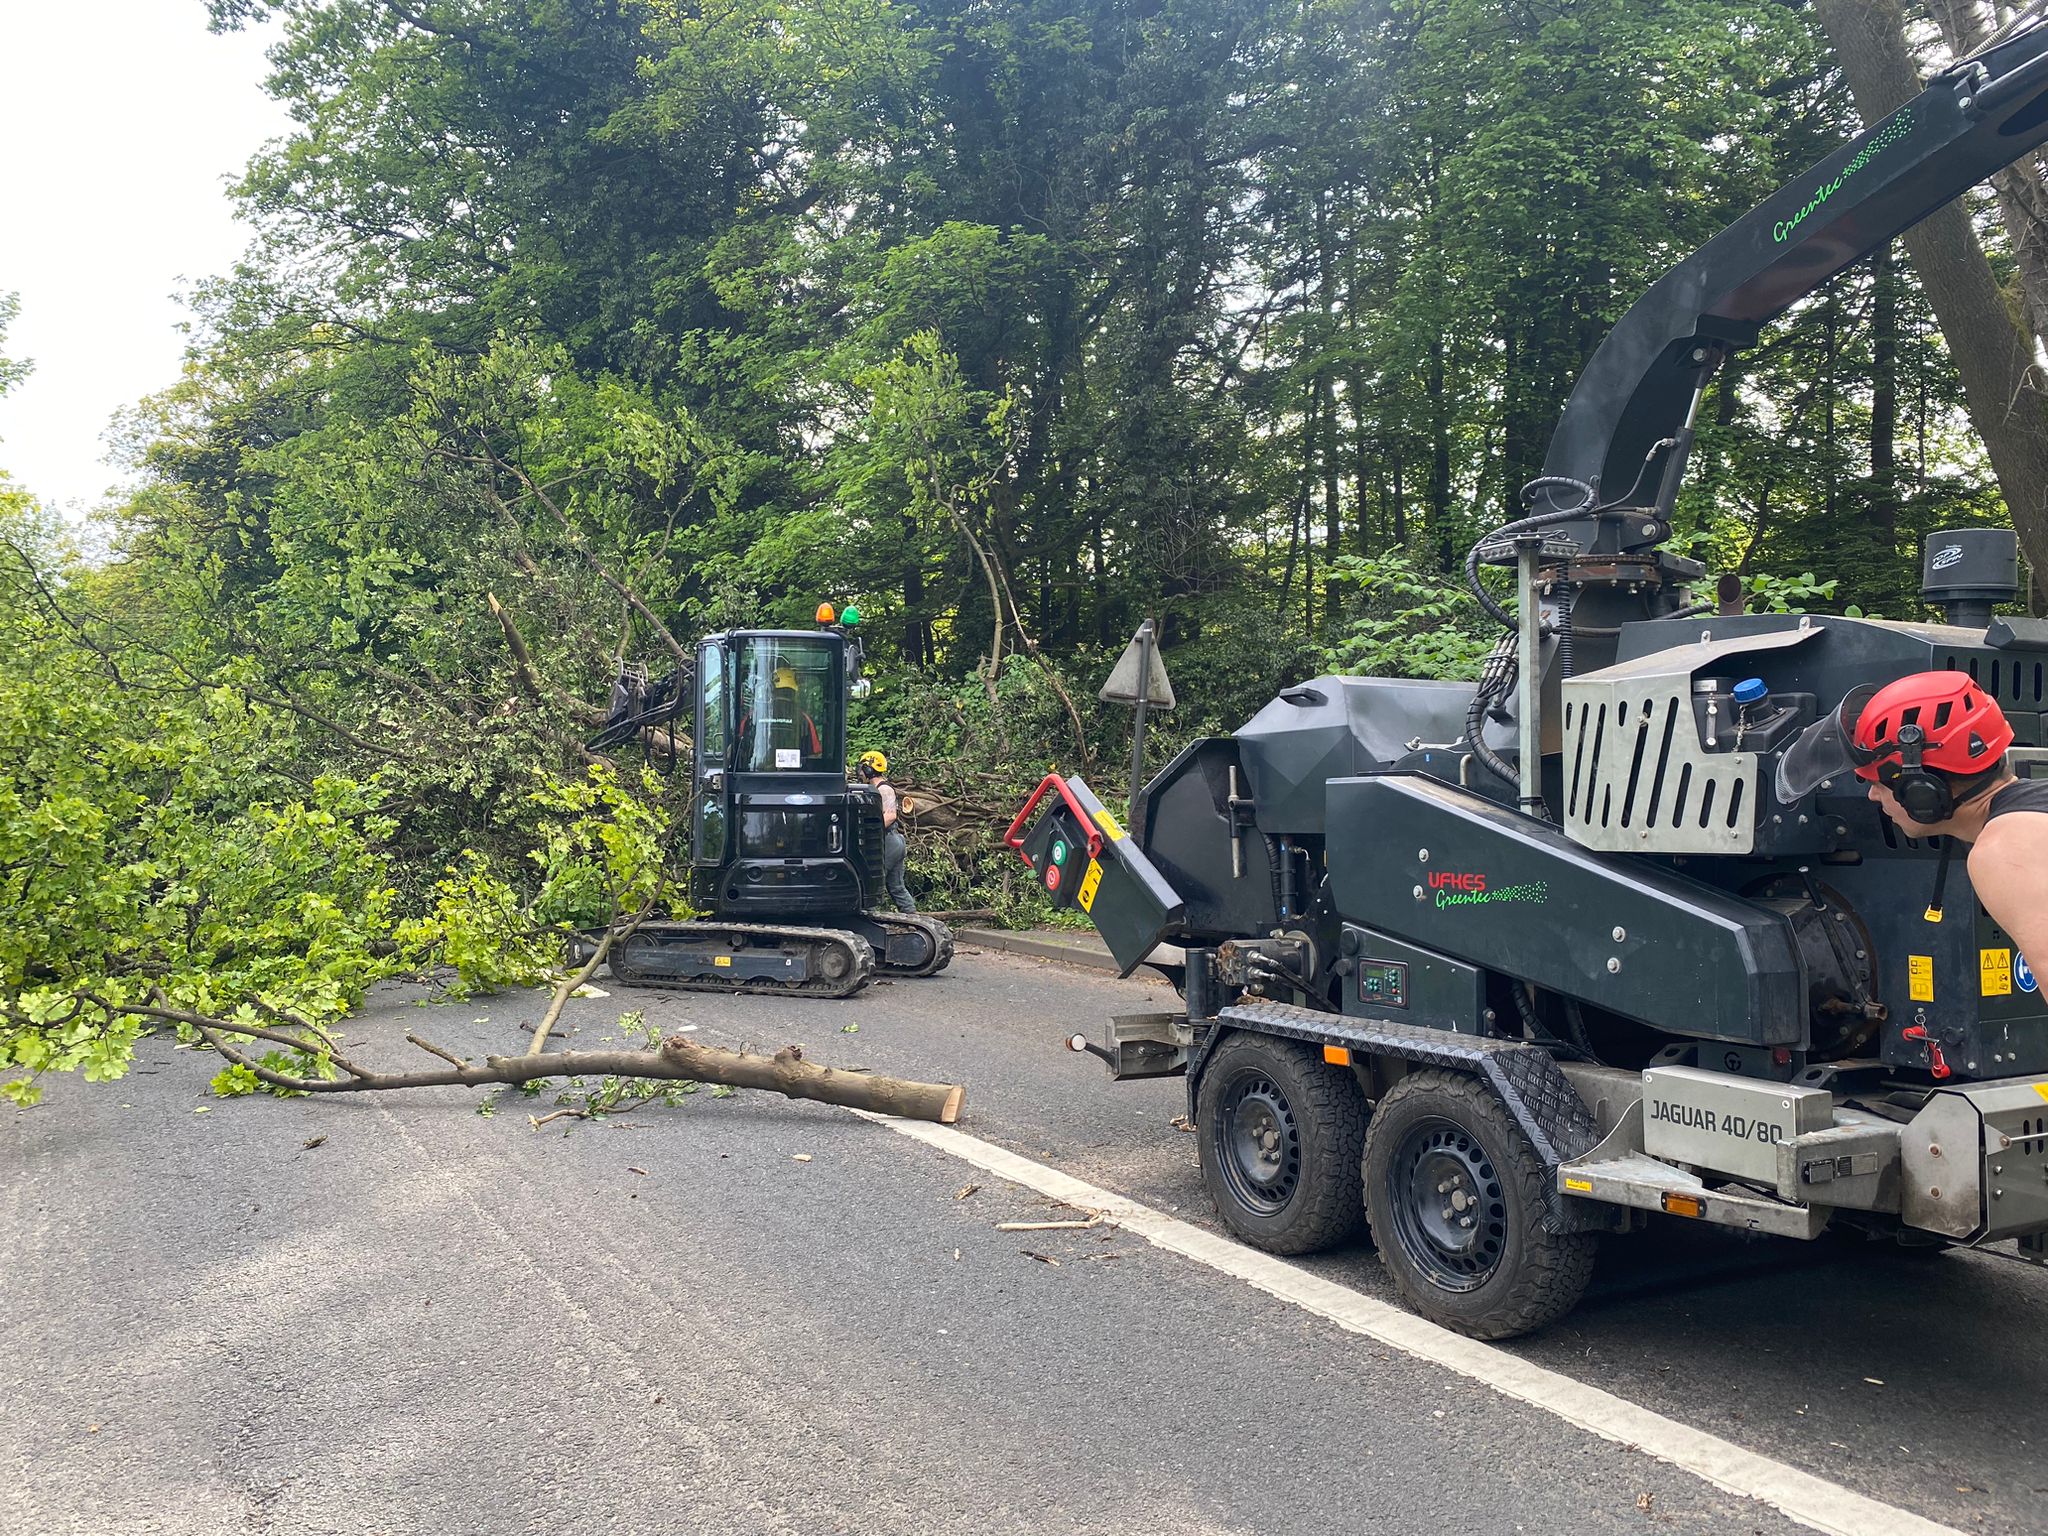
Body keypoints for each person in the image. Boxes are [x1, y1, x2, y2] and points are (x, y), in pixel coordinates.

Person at [1777, 670, 2048, 977]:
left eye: (1878, 782)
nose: (1872, 796)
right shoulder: (2032, 812)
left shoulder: (2003, 852)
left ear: (1922, 790)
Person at [856, 749, 917, 913]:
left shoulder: (884, 789)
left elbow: (890, 816)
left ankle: (869, 917)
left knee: (872, 879)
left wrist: (866, 830)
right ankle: (911, 916)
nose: (860, 772)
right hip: (893, 841)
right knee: (896, 886)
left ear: (869, 769)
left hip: (889, 842)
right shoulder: (874, 788)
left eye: (862, 768)